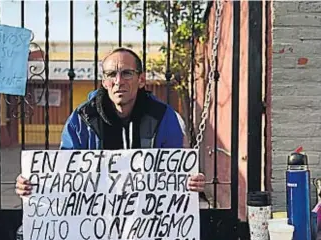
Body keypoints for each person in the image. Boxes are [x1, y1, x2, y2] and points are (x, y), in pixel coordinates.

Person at [15, 47, 205, 196]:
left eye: (127, 73)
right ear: (104, 82)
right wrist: (33, 183)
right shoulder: (82, 118)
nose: (119, 81)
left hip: (148, 225)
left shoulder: (163, 116)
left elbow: (178, 171)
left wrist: (191, 181)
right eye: (111, 75)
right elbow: (65, 173)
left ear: (141, 80)